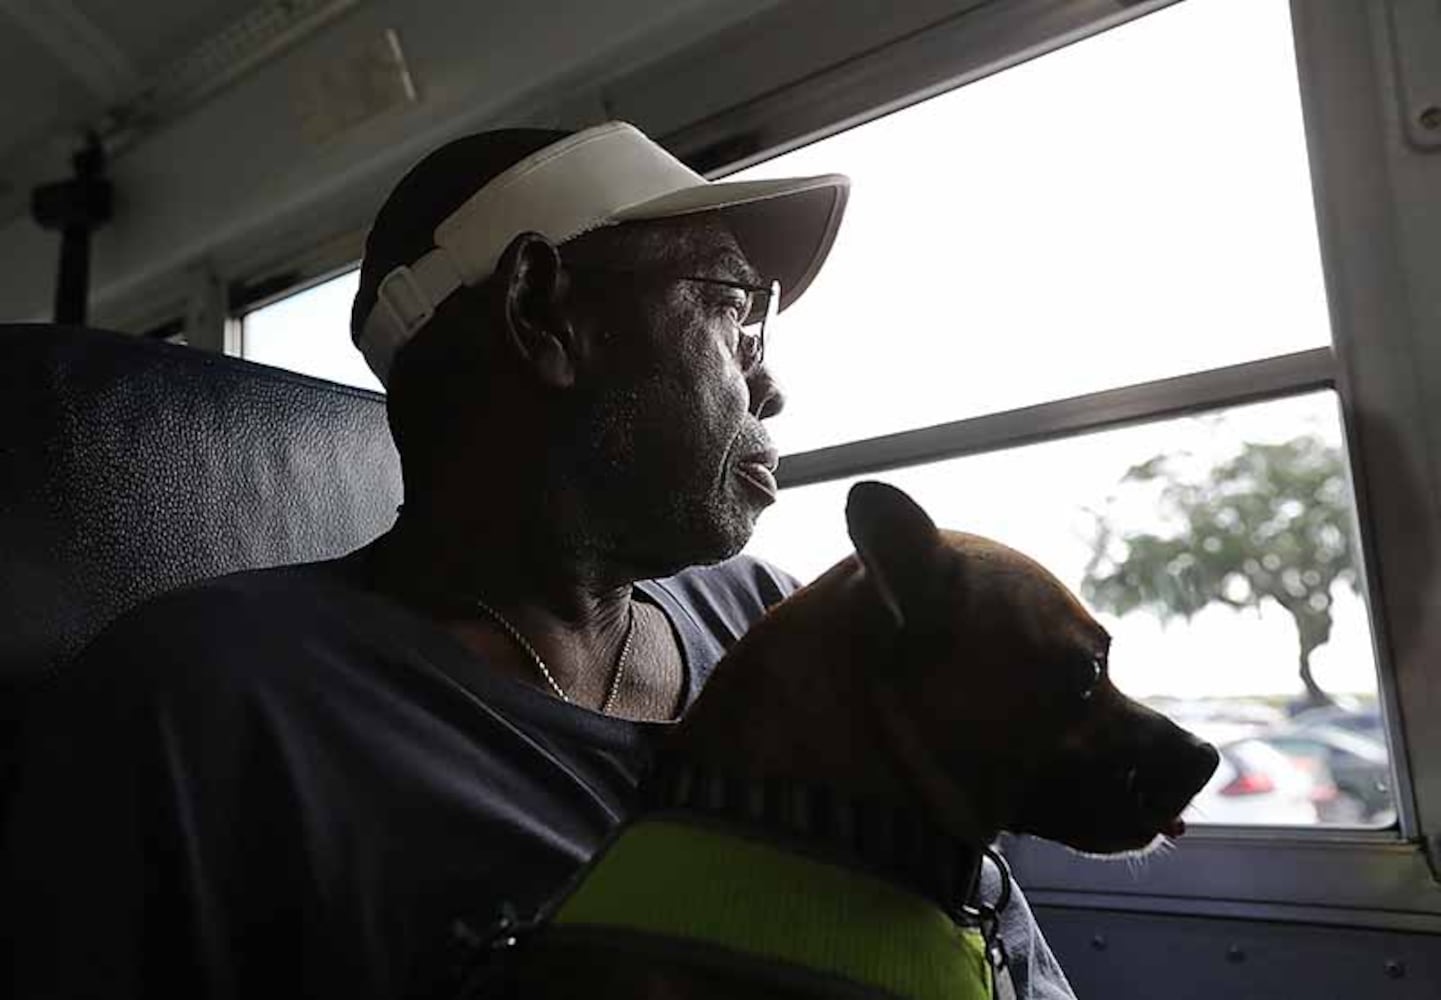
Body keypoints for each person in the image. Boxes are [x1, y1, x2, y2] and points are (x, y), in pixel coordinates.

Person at [1, 122, 1074, 998]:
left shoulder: (778, 621)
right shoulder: (203, 703)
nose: (772, 387)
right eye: (735, 313)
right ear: (541, 310)